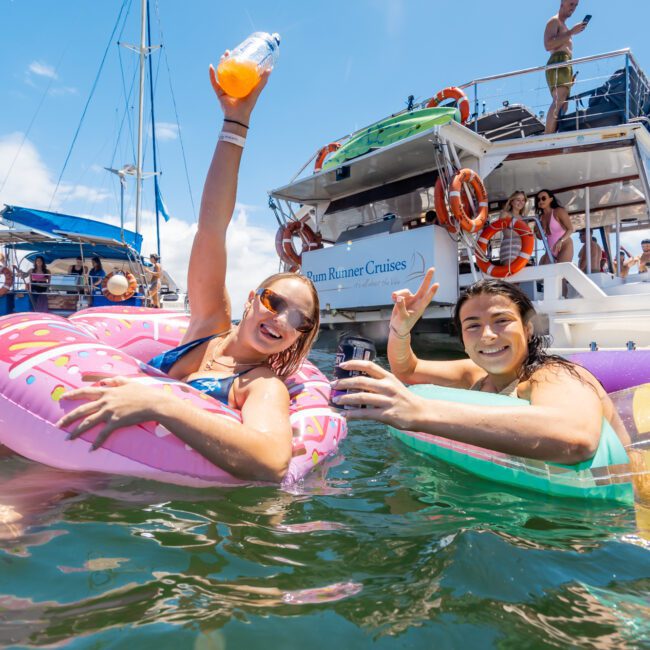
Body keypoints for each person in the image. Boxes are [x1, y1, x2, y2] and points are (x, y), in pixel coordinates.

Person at [56, 62, 320, 483]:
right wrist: (236, 122)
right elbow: (212, 227)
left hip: (127, 484)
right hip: (85, 445)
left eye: (297, 320)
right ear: (252, 298)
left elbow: (271, 461)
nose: (280, 319)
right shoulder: (207, 327)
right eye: (274, 302)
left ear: (299, 337)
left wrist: (159, 404)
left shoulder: (260, 385)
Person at [332, 268, 628, 465]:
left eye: (502, 321)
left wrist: (419, 412)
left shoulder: (555, 375)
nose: (487, 335)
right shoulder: (476, 375)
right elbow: (407, 370)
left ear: (527, 329)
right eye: (472, 326)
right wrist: (400, 329)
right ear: (462, 338)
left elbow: (575, 439)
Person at [543, 1, 588, 133]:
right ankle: (548, 136)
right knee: (559, 100)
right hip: (559, 61)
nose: (573, 8)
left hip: (565, 64)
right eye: (571, 4)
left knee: (564, 104)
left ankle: (554, 133)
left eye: (575, 6)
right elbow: (548, 45)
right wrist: (571, 32)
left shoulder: (563, 25)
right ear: (563, 2)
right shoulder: (554, 21)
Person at [534, 189, 573, 264]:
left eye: (543, 198)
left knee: (561, 273)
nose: (541, 201)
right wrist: (537, 230)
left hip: (564, 245)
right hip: (550, 249)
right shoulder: (540, 218)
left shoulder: (558, 211)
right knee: (545, 273)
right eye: (538, 199)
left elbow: (570, 229)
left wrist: (561, 240)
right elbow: (540, 237)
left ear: (550, 199)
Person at [499, 190, 528, 264]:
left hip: (521, 249)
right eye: (518, 200)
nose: (521, 202)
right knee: (510, 273)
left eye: (523, 200)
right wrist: (521, 234)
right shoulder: (505, 214)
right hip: (509, 247)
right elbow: (506, 232)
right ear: (511, 202)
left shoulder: (524, 218)